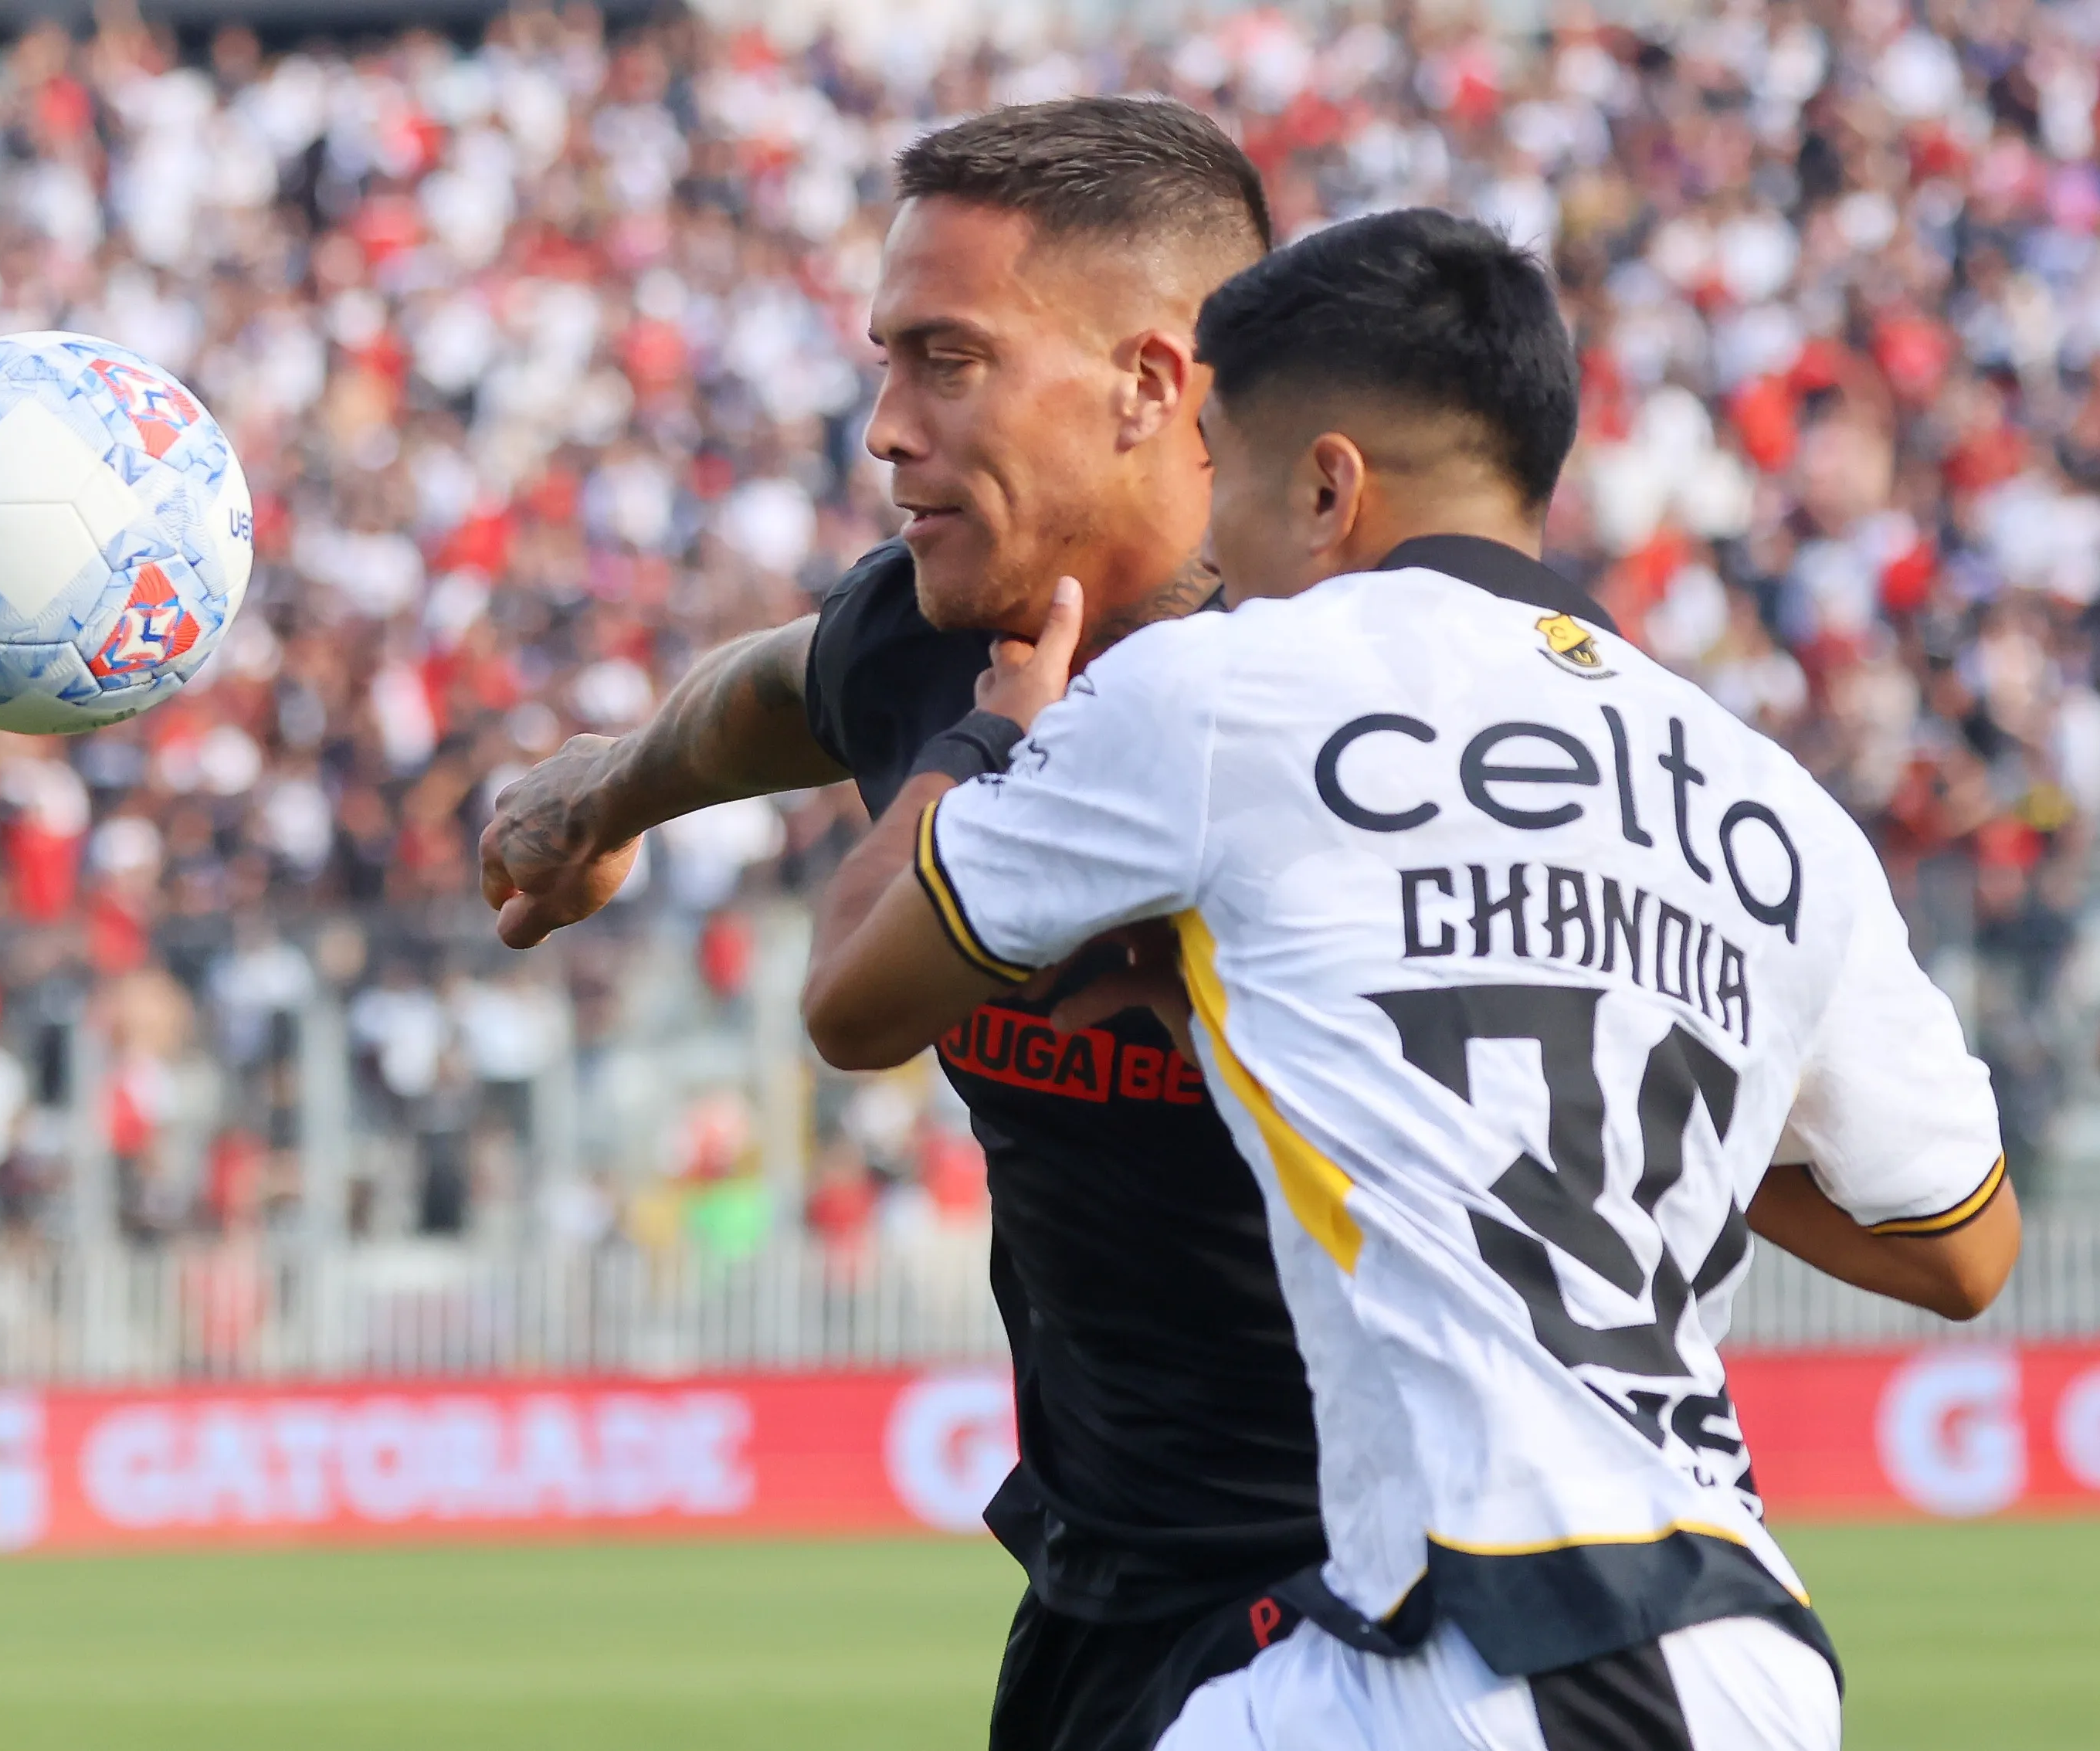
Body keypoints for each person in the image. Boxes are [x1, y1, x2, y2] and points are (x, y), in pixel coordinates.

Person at [799, 209, 2022, 1751]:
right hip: (1745, 1645)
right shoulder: (1762, 800)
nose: (1208, 551)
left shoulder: (1217, 692)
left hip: (1474, 1649)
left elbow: (852, 995)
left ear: (1323, 484)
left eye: (1220, 483)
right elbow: (1962, 1248)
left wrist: (990, 735)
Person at [483, 97, 1325, 1750]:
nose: (882, 425)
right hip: (1100, 1585)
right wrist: (602, 794)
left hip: (1374, 1587)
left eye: (945, 359)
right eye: (885, 359)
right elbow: (769, 691)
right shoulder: (935, 636)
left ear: (1150, 385)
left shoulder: (1352, 698)